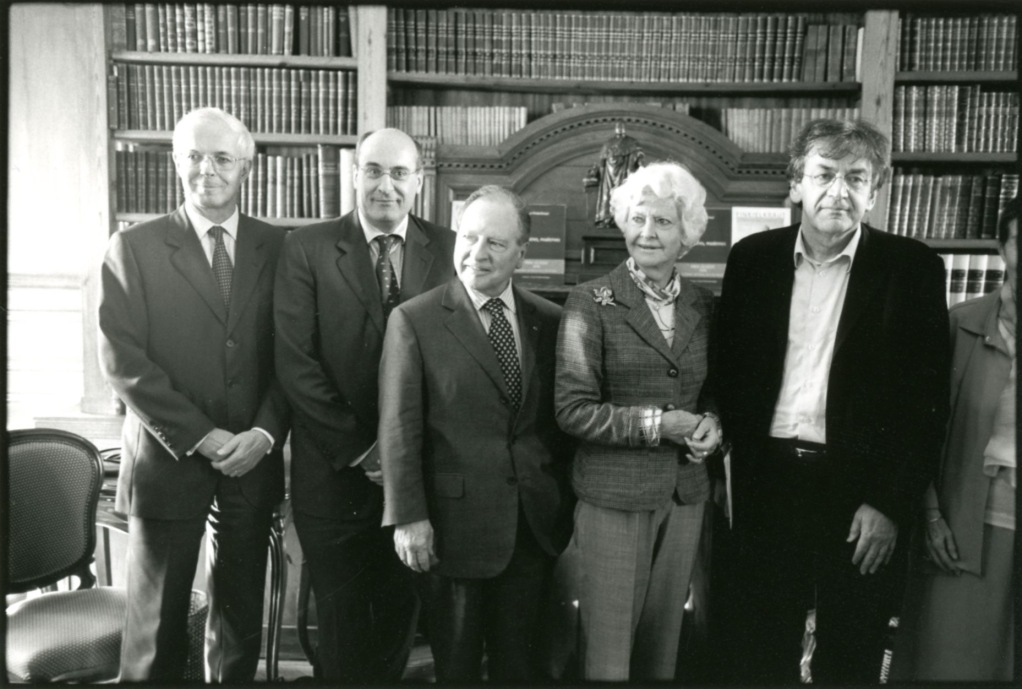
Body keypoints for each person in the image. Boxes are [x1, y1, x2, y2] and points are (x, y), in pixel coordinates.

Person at [713, 118, 951, 684]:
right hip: (765, 486)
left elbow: (927, 405)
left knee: (852, 653)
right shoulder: (751, 261)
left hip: (860, 498)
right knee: (757, 650)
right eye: (823, 175)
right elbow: (728, 376)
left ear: (875, 189)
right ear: (795, 184)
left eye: (855, 177)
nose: (838, 191)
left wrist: (890, 503)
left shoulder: (913, 270)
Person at [98, 107, 289, 681]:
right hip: (168, 457)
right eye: (193, 157)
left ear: (246, 166)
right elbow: (122, 361)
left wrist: (263, 433)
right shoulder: (135, 247)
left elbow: (295, 357)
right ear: (176, 162)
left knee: (237, 625)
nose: (207, 170)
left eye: (222, 158)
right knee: (155, 627)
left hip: (251, 460)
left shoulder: (279, 248)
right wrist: (201, 436)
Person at [274, 128, 456, 682]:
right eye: (373, 171)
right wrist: (364, 449)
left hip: (420, 481)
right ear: (355, 176)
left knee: (403, 622)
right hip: (335, 477)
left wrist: (401, 454)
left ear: (419, 182)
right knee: (345, 631)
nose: (385, 186)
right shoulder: (305, 247)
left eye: (399, 173)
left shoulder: (450, 249)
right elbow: (294, 362)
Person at [379, 185, 575, 681]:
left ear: (522, 254)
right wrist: (408, 517)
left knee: (521, 670)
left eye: (495, 243)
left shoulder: (551, 321)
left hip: (532, 531)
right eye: (468, 237)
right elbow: (399, 427)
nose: (477, 254)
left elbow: (557, 426)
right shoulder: (415, 320)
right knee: (458, 670)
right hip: (451, 530)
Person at [555, 161, 721, 681]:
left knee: (662, 650)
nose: (648, 232)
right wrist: (658, 426)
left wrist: (713, 423)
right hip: (613, 498)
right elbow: (572, 410)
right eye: (638, 218)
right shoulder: (591, 301)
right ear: (623, 223)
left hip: (685, 495)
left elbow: (712, 389)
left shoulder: (703, 303)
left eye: (664, 222)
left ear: (688, 234)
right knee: (608, 657)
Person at [890, 197, 1018, 681]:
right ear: (1002, 249)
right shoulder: (956, 325)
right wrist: (931, 515)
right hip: (965, 529)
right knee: (949, 664)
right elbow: (916, 431)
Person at [585, 122, 646, 227]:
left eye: (621, 127)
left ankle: (624, 217)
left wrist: (640, 164)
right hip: (609, 176)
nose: (619, 129)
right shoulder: (609, 143)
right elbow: (602, 162)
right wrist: (598, 173)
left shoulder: (631, 142)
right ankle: (607, 218)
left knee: (625, 193)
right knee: (608, 195)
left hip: (625, 174)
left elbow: (638, 156)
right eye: (618, 127)